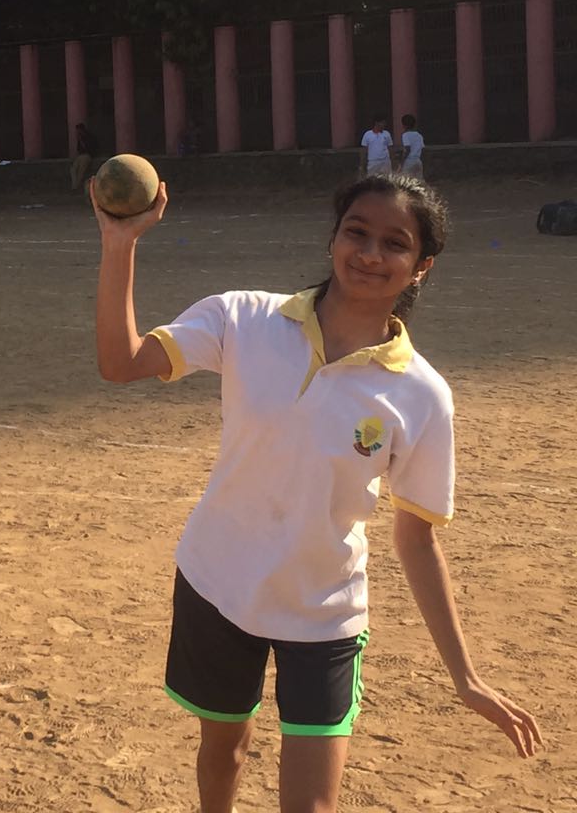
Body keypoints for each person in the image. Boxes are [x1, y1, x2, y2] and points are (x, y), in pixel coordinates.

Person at [91, 173, 541, 813]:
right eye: (357, 232)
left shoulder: (422, 394)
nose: (371, 254)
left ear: (421, 267)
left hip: (324, 611)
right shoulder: (244, 318)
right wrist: (120, 244)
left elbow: (417, 540)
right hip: (219, 582)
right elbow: (122, 362)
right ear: (333, 239)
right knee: (224, 752)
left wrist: (465, 677)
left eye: (395, 244)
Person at [70, 122, 99, 191]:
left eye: (78, 130)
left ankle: (76, 187)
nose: (77, 132)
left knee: (81, 171)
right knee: (73, 169)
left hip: (87, 155)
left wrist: (81, 141)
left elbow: (89, 148)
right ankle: (74, 185)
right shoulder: (80, 138)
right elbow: (79, 149)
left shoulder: (89, 137)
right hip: (81, 156)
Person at [399, 114, 425, 179]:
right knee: (419, 181)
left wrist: (402, 162)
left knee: (406, 180)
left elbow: (407, 149)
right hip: (418, 160)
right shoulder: (419, 135)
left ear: (404, 125)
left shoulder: (405, 135)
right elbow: (422, 149)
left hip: (409, 161)